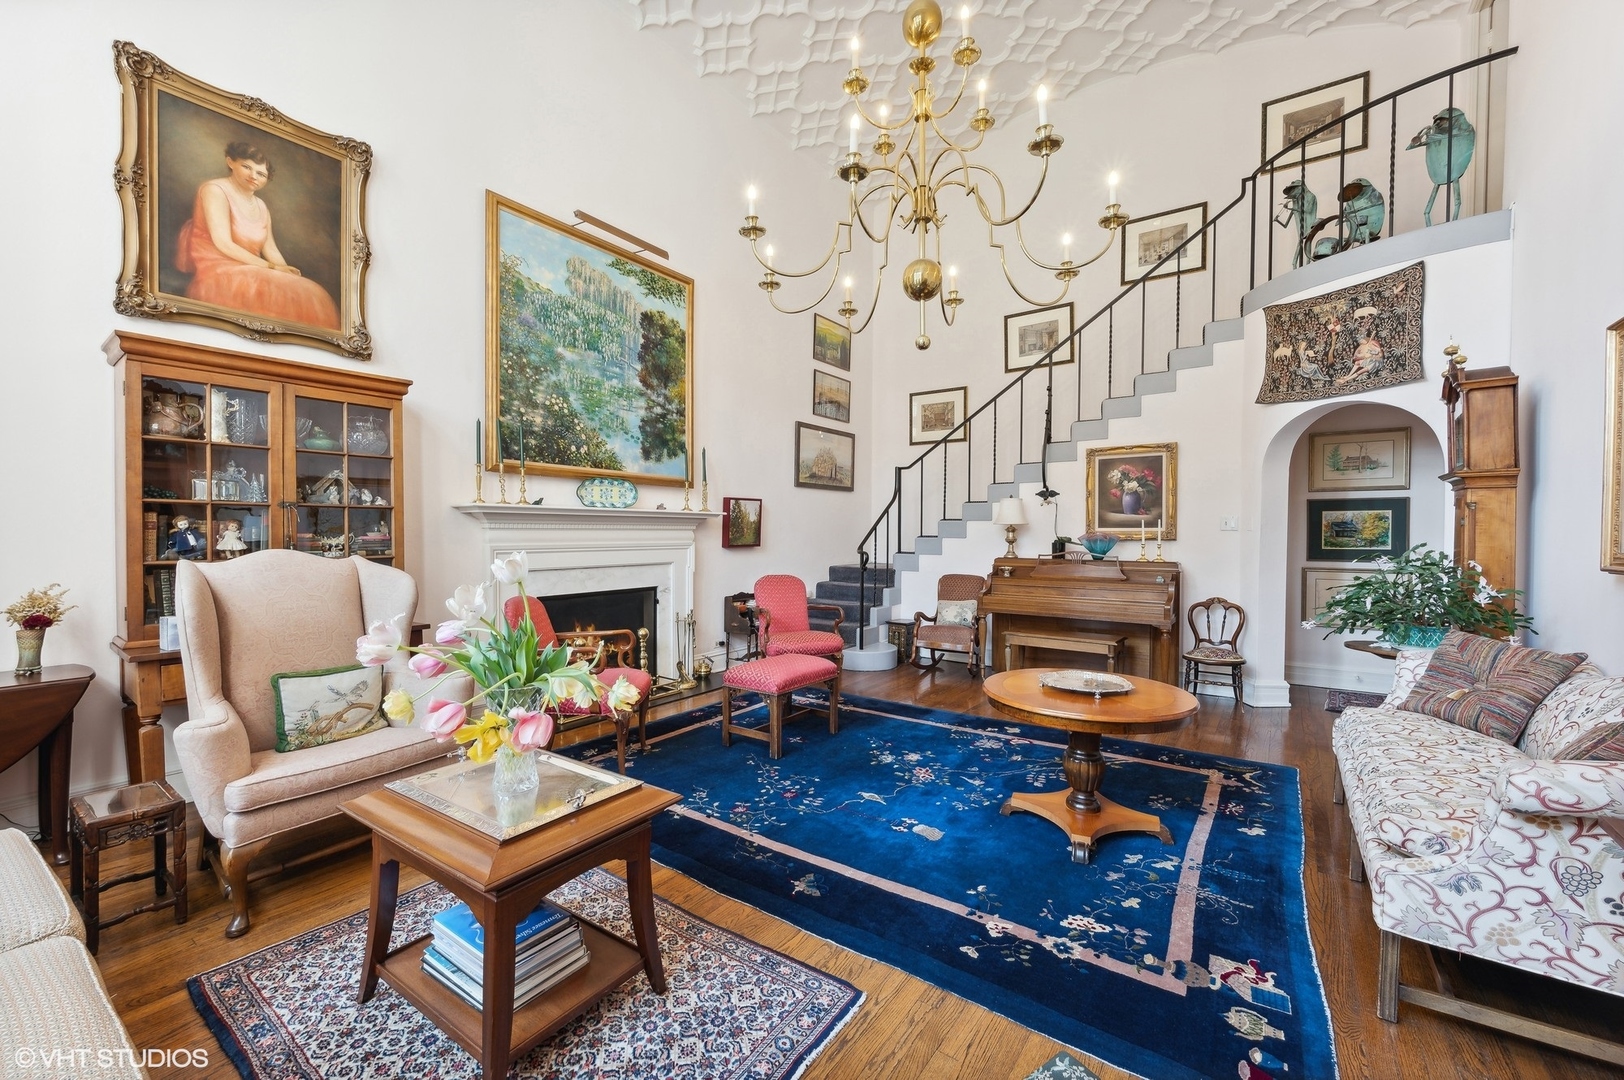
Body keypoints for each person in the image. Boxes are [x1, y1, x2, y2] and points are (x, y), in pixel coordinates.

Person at [176, 141, 340, 329]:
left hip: (255, 269)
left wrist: (287, 272)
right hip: (219, 271)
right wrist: (271, 267)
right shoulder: (214, 190)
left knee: (310, 291)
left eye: (261, 174)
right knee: (297, 292)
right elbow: (223, 244)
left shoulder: (261, 206)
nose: (253, 176)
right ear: (230, 162)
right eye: (246, 167)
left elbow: (270, 248)